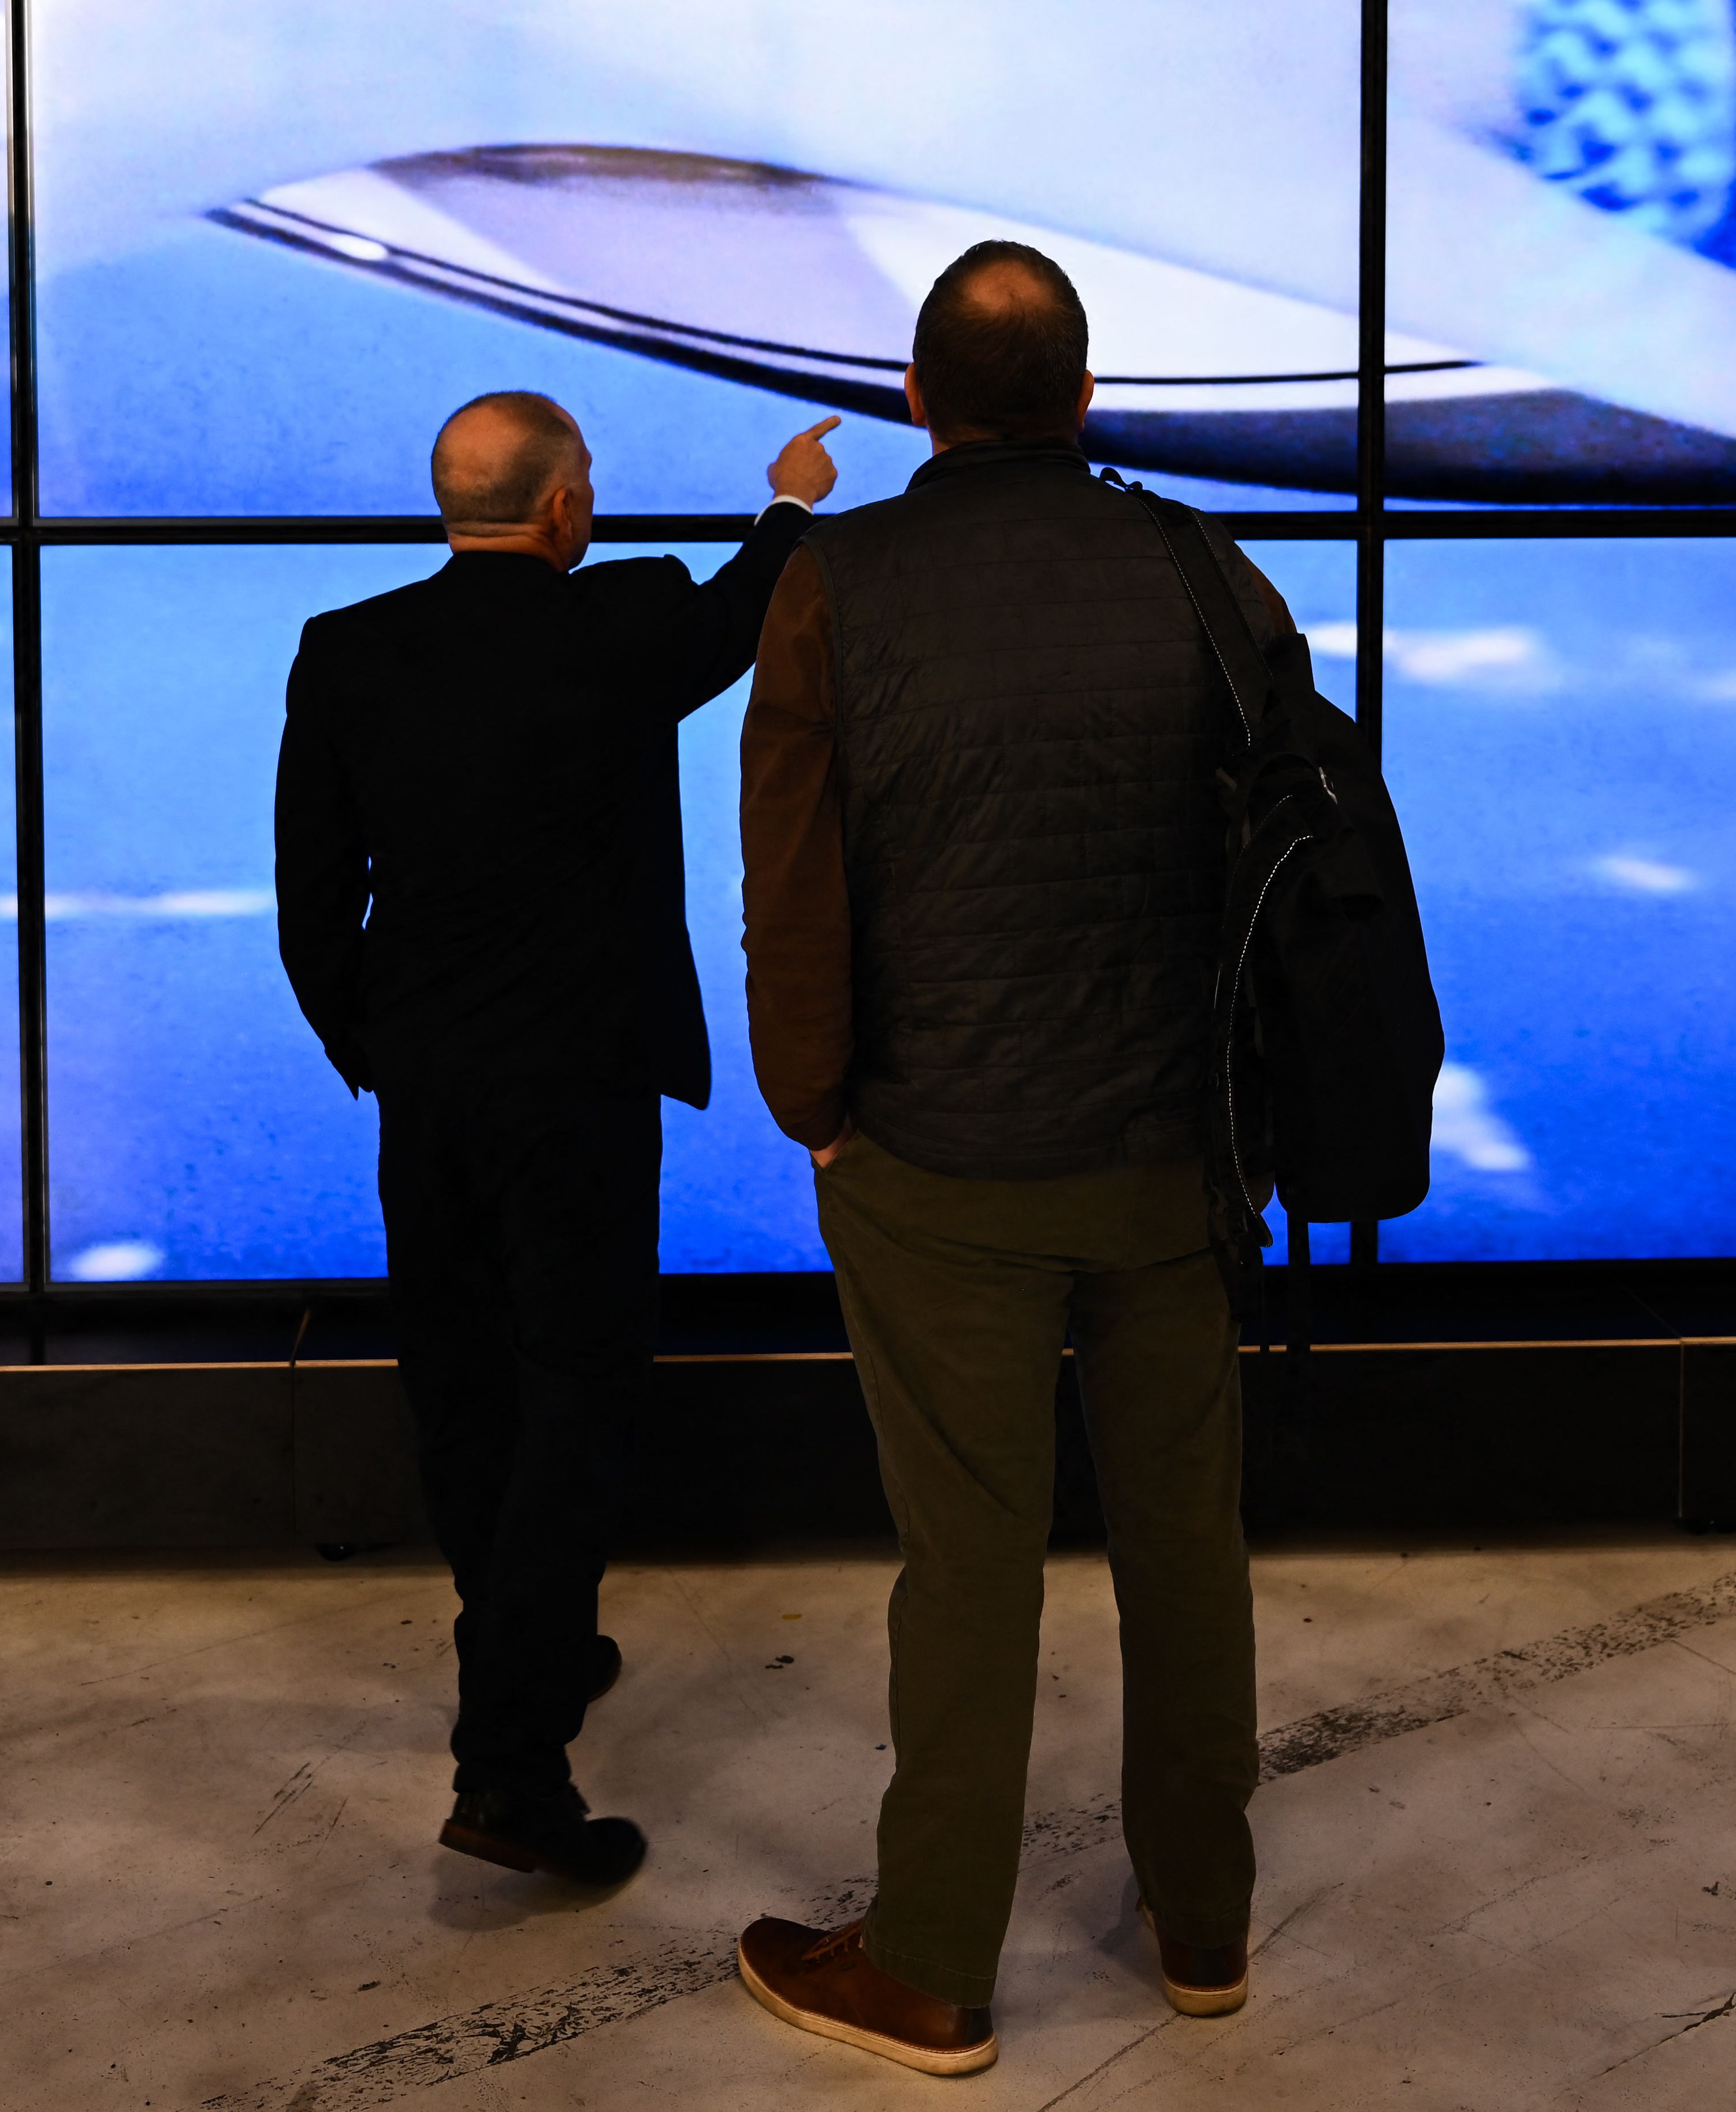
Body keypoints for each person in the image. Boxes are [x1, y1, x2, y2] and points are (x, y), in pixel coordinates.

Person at [730, 243, 1288, 2073]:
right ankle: (1203, 1924)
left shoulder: (837, 582)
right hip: (1168, 1158)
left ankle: (933, 1966)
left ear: (913, 402)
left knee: (967, 1564)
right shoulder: (1205, 569)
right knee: (1185, 1546)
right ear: (1087, 394)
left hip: (941, 1163)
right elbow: (1285, 868)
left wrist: (815, 1101)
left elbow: (795, 882)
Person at [274, 389, 841, 1887]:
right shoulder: (619, 630)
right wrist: (790, 495)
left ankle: (523, 1648)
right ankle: (512, 1771)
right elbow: (744, 615)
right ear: (562, 509)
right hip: (579, 1090)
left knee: (462, 1387)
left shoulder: (351, 651)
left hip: (431, 1094)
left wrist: (376, 1051)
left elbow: (313, 901)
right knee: (578, 1393)